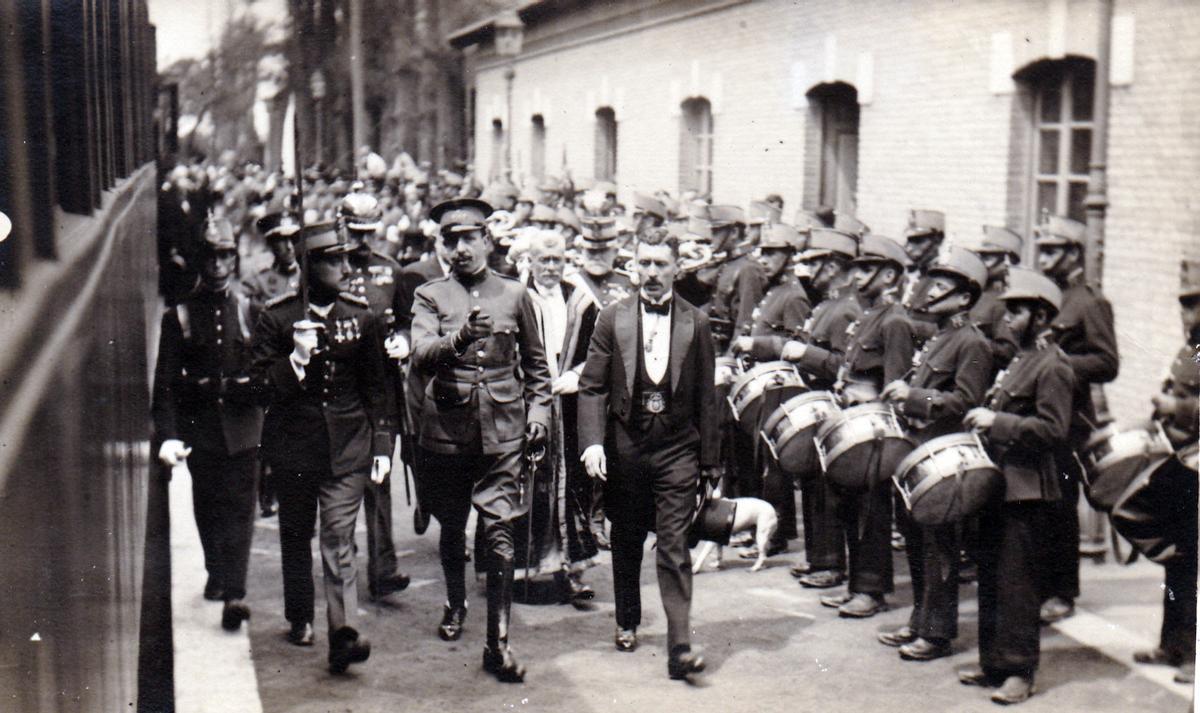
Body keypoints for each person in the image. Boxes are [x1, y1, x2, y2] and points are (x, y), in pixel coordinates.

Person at [409, 198, 553, 683]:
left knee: (500, 534)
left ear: (488, 241)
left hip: (504, 432)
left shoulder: (515, 295)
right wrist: (459, 339)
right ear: (443, 247)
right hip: (447, 435)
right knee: (452, 528)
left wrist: (539, 416)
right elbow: (421, 354)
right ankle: (455, 602)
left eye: (471, 238)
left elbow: (537, 369)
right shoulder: (430, 296)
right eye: (452, 240)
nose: (461, 248)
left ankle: (499, 644)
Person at [578, 227, 720, 680]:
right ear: (633, 266)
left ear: (677, 268)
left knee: (674, 546)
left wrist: (711, 461)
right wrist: (593, 442)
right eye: (645, 264)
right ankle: (627, 618)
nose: (653, 273)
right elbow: (592, 385)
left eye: (662, 264)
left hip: (677, 448)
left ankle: (680, 647)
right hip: (627, 446)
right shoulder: (612, 318)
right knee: (626, 539)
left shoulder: (696, 322)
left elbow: (706, 397)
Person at [251, 221, 393, 673]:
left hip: (347, 448)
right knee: (296, 534)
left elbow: (376, 388)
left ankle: (344, 634)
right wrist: (294, 360)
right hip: (293, 449)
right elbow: (258, 390)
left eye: (344, 258)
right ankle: (300, 614)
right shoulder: (277, 317)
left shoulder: (362, 315)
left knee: (338, 538)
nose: (343, 266)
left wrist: (382, 445)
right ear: (310, 266)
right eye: (332, 260)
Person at [958, 268, 1074, 705]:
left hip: (1026, 488)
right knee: (990, 577)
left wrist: (998, 421)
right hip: (999, 482)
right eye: (1007, 309)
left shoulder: (1054, 365)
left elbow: (1053, 430)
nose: (1007, 318)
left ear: (1042, 317)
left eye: (1018, 310)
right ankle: (994, 665)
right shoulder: (1021, 360)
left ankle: (1020, 672)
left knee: (1018, 584)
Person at [878, 247, 992, 660]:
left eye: (942, 286)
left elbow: (966, 400)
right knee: (916, 543)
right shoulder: (941, 337)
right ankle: (919, 622)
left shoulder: (972, 342)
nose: (930, 292)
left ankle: (938, 632)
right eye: (932, 283)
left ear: (965, 298)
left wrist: (915, 396)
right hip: (919, 453)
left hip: (945, 458)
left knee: (940, 546)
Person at [152, 216, 264, 632]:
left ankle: (235, 593)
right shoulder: (178, 316)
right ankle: (217, 571)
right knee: (208, 508)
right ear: (199, 261)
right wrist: (168, 435)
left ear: (235, 260)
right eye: (211, 257)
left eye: (226, 256)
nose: (218, 265)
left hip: (243, 429)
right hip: (202, 430)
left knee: (240, 511)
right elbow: (164, 385)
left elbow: (265, 372)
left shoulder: (250, 310)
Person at [801, 234, 914, 618]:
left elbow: (896, 385)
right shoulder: (867, 316)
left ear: (890, 277)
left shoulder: (895, 321)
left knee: (871, 511)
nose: (860, 276)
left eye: (869, 269)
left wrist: (874, 409)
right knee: (850, 507)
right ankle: (856, 585)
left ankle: (872, 588)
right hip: (851, 421)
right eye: (859, 268)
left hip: (874, 430)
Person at [764, 228, 862, 588]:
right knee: (813, 483)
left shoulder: (847, 309)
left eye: (816, 262)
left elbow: (844, 364)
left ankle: (832, 563)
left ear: (834, 266)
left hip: (830, 403)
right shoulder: (826, 304)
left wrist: (807, 354)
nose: (808, 269)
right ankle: (818, 557)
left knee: (828, 487)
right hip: (812, 402)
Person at [1033, 215, 1119, 624]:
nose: (1044, 257)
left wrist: (1064, 361)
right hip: (1037, 414)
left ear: (1073, 254)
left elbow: (1107, 362)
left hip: (1069, 419)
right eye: (1043, 250)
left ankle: (1063, 591)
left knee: (1061, 506)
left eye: (1051, 250)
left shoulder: (1089, 301)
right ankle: (1038, 583)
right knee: (1037, 502)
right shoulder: (1044, 296)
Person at [517, 230, 601, 603]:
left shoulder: (582, 302)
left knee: (571, 485)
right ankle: (518, 570)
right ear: (530, 262)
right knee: (525, 483)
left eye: (557, 261)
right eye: (543, 260)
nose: (551, 268)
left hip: (568, 404)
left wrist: (577, 375)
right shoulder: (514, 296)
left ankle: (570, 568)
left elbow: (601, 350)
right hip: (524, 403)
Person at [338, 191, 412, 602]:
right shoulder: (328, 269)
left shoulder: (391, 271)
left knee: (380, 474)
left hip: (382, 388)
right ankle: (343, 558)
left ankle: (383, 567)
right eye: (355, 232)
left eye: (368, 233)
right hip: (345, 386)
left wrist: (403, 340)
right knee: (344, 475)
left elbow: (405, 322)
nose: (362, 241)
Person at [1132, 256, 1200, 685]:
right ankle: (1173, 644)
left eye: (1192, 305)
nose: (1185, 314)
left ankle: (1194, 656)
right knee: (1178, 561)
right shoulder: (1189, 350)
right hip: (1182, 464)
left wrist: (1179, 407)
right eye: (1183, 305)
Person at [729, 223, 811, 559]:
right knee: (762, 461)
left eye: (773, 252)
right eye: (762, 252)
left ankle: (776, 535)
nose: (764, 259)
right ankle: (770, 530)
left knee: (774, 466)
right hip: (763, 386)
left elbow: (798, 345)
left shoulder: (794, 295)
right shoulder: (773, 291)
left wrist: (758, 345)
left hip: (781, 387)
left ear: (790, 256)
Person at [571, 217, 636, 548]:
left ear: (615, 249)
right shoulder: (570, 282)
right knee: (583, 455)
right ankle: (587, 523)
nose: (597, 254)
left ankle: (610, 518)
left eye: (603, 249)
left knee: (617, 454)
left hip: (621, 383)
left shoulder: (628, 284)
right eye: (590, 248)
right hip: (579, 383)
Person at [242, 212, 302, 519]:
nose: (289, 247)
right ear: (271, 245)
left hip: (305, 364)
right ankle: (268, 489)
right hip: (275, 365)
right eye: (281, 242)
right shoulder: (260, 280)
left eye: (294, 240)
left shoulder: (309, 276)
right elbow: (247, 313)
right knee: (271, 431)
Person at [969, 226, 1022, 368]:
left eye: (988, 257)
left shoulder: (1006, 300)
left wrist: (968, 340)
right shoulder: (976, 293)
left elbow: (1006, 352)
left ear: (1006, 261)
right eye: (981, 256)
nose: (981, 262)